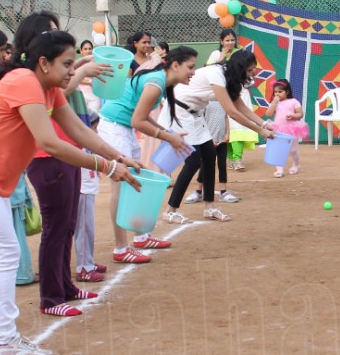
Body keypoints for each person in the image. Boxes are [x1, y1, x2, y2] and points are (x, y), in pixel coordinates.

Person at [0, 30, 139, 355]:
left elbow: (77, 130)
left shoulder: (47, 88)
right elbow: (50, 142)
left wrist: (118, 157)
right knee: (4, 252)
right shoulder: (24, 82)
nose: (72, 72)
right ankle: (4, 340)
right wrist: (106, 167)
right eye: (67, 64)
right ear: (43, 63)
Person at [17, 11, 110, 314]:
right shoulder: (30, 81)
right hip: (48, 157)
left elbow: (78, 127)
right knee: (56, 227)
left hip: (67, 152)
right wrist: (81, 71)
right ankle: (51, 297)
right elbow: (62, 97)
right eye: (50, 33)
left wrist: (114, 156)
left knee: (67, 224)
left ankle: (65, 286)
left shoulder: (50, 82)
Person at [100, 46, 198, 257]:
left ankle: (141, 237)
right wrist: (167, 136)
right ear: (175, 65)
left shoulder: (160, 82)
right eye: (190, 67)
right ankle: (120, 248)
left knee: (135, 180)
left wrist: (167, 133)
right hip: (114, 127)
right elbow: (138, 120)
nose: (193, 72)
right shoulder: (156, 82)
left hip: (123, 128)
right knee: (120, 186)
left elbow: (142, 118)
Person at [163, 49, 274, 223]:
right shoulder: (217, 75)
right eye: (250, 69)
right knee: (193, 161)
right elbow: (232, 112)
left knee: (209, 156)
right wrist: (260, 132)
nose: (253, 73)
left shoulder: (231, 80)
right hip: (179, 112)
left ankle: (209, 208)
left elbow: (241, 107)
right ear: (240, 67)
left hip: (196, 115)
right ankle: (170, 210)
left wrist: (265, 124)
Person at [185, 28, 242, 205]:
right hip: (209, 129)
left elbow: (227, 114)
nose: (230, 43)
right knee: (205, 160)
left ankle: (224, 191)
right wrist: (222, 57)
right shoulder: (216, 55)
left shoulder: (237, 56)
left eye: (232, 40)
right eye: (227, 40)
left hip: (221, 126)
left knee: (222, 161)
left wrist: (226, 133)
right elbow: (208, 69)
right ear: (221, 41)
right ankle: (198, 191)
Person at [265, 79, 308, 177]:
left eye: (280, 92)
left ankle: (296, 165)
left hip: (291, 129)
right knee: (277, 150)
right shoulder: (275, 103)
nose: (277, 94)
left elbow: (300, 114)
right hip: (277, 129)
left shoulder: (293, 101)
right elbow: (268, 114)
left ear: (287, 91)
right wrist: (274, 103)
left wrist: (293, 116)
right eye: (275, 92)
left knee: (293, 150)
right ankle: (279, 170)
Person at [74, 153, 103, 283]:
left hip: (88, 175)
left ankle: (88, 261)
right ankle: (84, 267)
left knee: (87, 225)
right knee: (84, 226)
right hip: (83, 181)